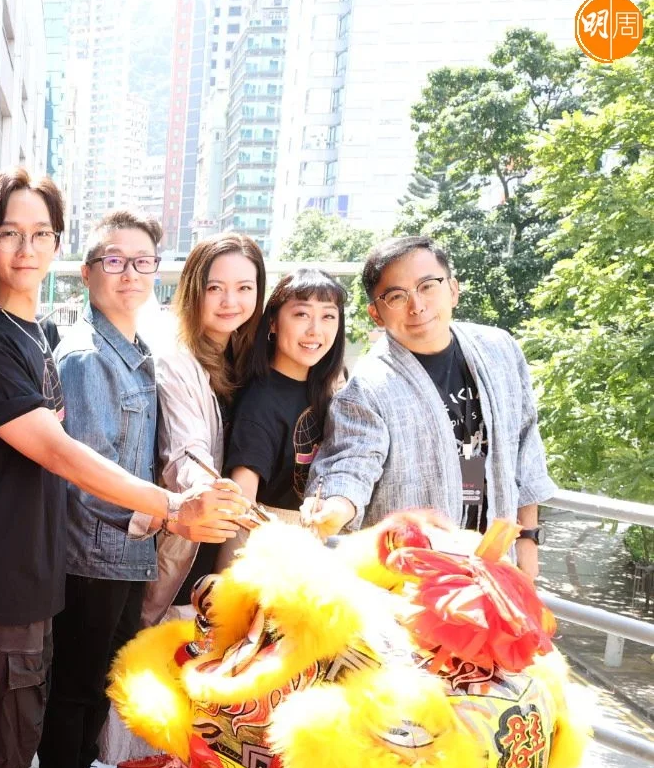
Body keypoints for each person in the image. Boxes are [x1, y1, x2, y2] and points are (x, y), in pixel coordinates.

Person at [0, 168, 248, 768]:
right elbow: (59, 450)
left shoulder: (29, 332)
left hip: (33, 568)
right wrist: (171, 507)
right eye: (10, 233)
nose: (26, 248)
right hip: (1, 571)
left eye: (41, 233)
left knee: (5, 735)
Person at [38, 210, 170, 768]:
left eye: (142, 262)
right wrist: (159, 516)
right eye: (113, 261)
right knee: (74, 688)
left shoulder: (134, 349)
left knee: (96, 686)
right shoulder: (88, 356)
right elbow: (85, 473)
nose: (129, 274)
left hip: (125, 552)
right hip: (93, 552)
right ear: (88, 274)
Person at [303, 235, 556, 575]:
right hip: (410, 576)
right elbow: (352, 463)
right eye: (397, 296)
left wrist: (528, 541)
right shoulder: (368, 388)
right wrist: (336, 505)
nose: (417, 306)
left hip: (496, 565)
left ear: (453, 289)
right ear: (376, 313)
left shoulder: (499, 351)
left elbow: (525, 448)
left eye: (427, 286)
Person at [139, 232, 265, 625]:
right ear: (194, 290)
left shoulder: (247, 356)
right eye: (215, 288)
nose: (231, 301)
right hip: (190, 536)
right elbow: (184, 449)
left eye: (244, 288)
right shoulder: (176, 358)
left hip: (225, 535)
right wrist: (209, 492)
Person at [226, 268, 348, 514]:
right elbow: (242, 502)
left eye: (328, 316)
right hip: (276, 533)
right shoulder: (259, 402)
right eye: (302, 314)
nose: (315, 330)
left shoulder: (331, 386)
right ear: (273, 322)